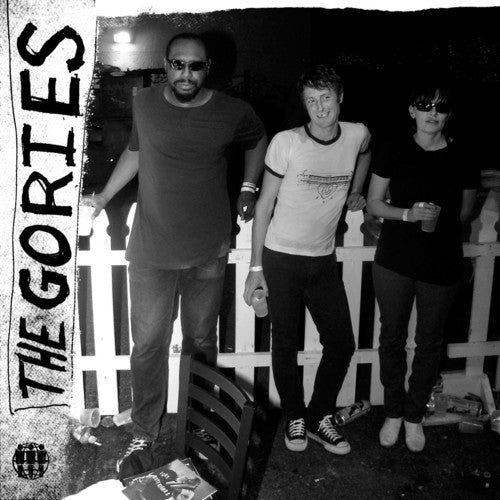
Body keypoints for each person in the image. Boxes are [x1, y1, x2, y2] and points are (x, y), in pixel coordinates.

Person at [84, 32, 267, 468]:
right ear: (166, 65)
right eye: (178, 64)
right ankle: (144, 432)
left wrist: (249, 184)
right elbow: (135, 150)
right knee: (148, 345)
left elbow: (258, 140)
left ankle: (198, 422)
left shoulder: (232, 111)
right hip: (151, 250)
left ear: (208, 68)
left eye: (196, 66)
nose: (186, 73)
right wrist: (104, 196)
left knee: (201, 342)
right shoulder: (145, 103)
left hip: (207, 249)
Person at [243, 65, 371, 455]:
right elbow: (264, 205)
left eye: (326, 98)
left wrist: (358, 189)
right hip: (281, 258)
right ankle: (295, 416)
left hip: (322, 260)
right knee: (284, 343)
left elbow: (366, 152)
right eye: (311, 101)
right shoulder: (287, 142)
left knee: (342, 343)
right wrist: (255, 267)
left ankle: (319, 415)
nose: (320, 108)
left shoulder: (357, 133)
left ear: (340, 97)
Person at [366, 82, 478, 452]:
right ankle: (393, 412)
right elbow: (374, 203)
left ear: (449, 114)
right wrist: (408, 214)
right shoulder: (393, 148)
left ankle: (414, 416)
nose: (433, 113)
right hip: (394, 260)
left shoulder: (462, 155)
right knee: (392, 337)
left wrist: (438, 224)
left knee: (430, 341)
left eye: (441, 108)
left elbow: (464, 211)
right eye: (425, 105)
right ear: (412, 110)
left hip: (442, 261)